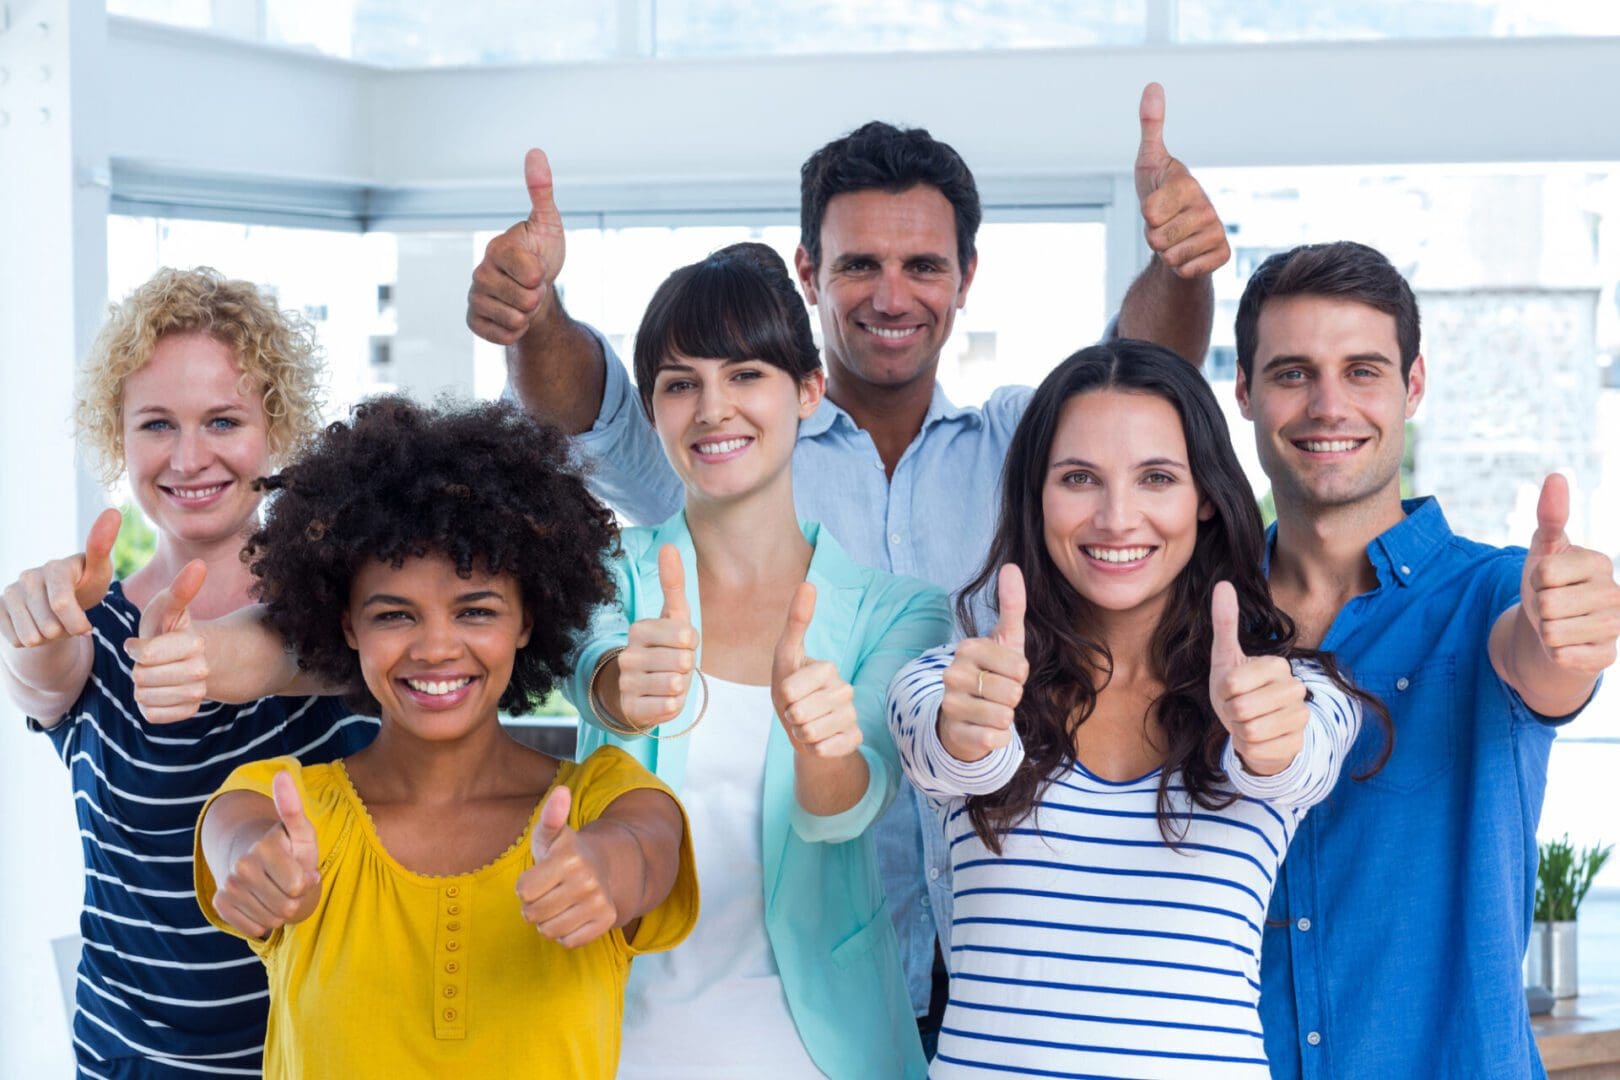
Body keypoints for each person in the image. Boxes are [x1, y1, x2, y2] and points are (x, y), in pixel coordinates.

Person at [467, 82, 1232, 1043]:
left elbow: (1137, 391)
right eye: (859, 263)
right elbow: (592, 406)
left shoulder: (1022, 447)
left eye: (923, 264)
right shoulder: (723, 451)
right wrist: (535, 318)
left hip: (1000, 968)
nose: (891, 294)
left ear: (967, 275)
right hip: (777, 986)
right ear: (808, 269)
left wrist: (1182, 270)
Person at [886, 340, 1386, 1077]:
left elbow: (1293, 764)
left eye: (1156, 478)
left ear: (1206, 496)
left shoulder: (1299, 694)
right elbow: (951, 746)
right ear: (1036, 495)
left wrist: (1268, 739)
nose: (1117, 518)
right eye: (1079, 478)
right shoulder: (953, 681)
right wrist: (969, 732)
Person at [166, 396, 698, 1078]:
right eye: (394, 615)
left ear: (529, 620)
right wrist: (261, 872)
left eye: (475, 610)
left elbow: (644, 852)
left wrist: (600, 873)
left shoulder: (606, 800)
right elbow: (235, 840)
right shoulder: (283, 807)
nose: (437, 648)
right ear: (348, 625)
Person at [558, 242, 953, 1078]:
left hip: (822, 1051)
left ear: (808, 391)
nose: (712, 408)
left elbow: (850, 807)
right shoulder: (606, 573)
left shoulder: (899, 610)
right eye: (679, 383)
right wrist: (621, 685)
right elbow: (589, 664)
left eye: (745, 375)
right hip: (619, 1044)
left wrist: (825, 750)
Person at [1231, 241, 1620, 1078]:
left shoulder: (1490, 595)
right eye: (1293, 373)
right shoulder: (1199, 621)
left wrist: (1570, 638)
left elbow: (1540, 662)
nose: (1328, 406)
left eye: (1363, 371)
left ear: (1412, 386)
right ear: (1246, 393)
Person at [0, 268, 378, 1078]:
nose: (189, 456)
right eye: (157, 424)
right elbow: (41, 679)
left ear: (275, 429)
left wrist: (224, 660)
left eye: (223, 420)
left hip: (332, 1054)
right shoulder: (90, 626)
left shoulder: (361, 608)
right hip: (134, 1062)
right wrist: (29, 626)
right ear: (119, 436)